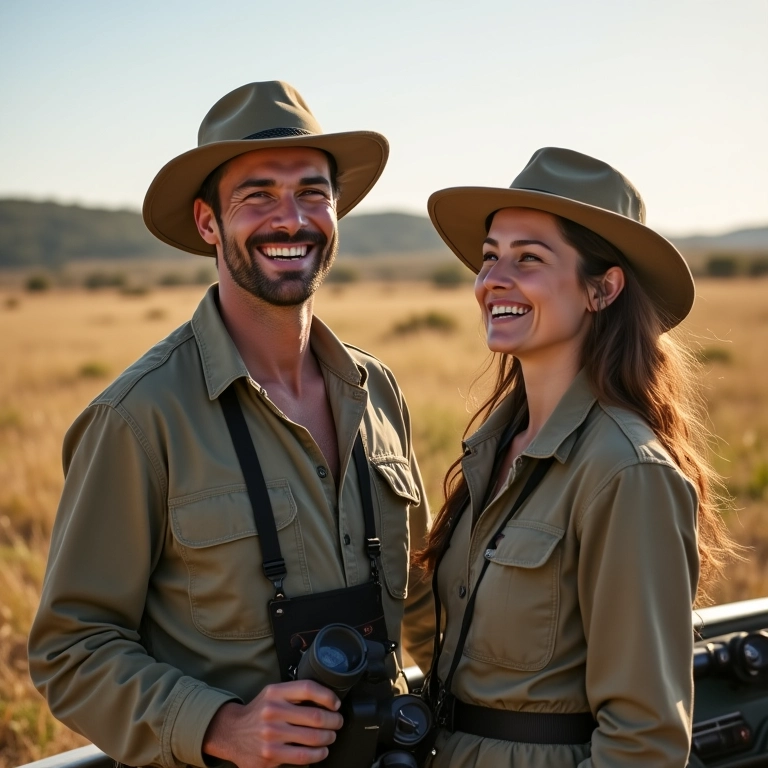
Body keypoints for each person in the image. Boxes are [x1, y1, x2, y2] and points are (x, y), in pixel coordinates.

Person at [28, 81, 434, 768]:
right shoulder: (138, 417)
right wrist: (220, 726)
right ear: (208, 223)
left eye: (313, 192)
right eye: (257, 196)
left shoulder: (377, 390)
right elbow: (71, 648)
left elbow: (422, 599)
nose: (291, 219)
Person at [415, 147, 734, 767]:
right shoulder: (495, 447)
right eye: (489, 257)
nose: (493, 280)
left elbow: (644, 742)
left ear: (602, 288)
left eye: (528, 258)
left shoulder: (627, 471)